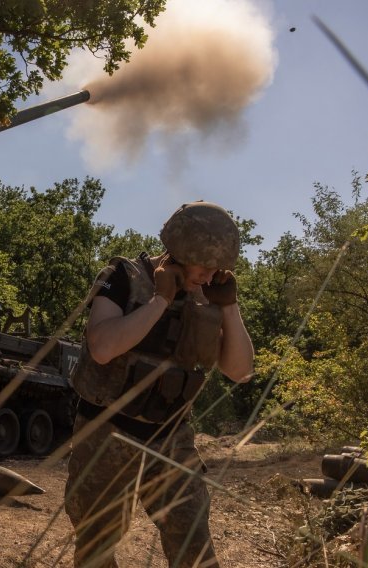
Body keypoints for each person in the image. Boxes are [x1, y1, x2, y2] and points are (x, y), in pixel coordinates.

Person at [64, 201, 255, 568]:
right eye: (204, 264)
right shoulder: (122, 276)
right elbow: (102, 348)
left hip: (170, 440)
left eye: (219, 267)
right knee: (96, 548)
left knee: (194, 548)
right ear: (178, 250)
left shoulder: (206, 296)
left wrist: (229, 308)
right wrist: (160, 300)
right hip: (108, 434)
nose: (210, 273)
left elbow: (240, 371)